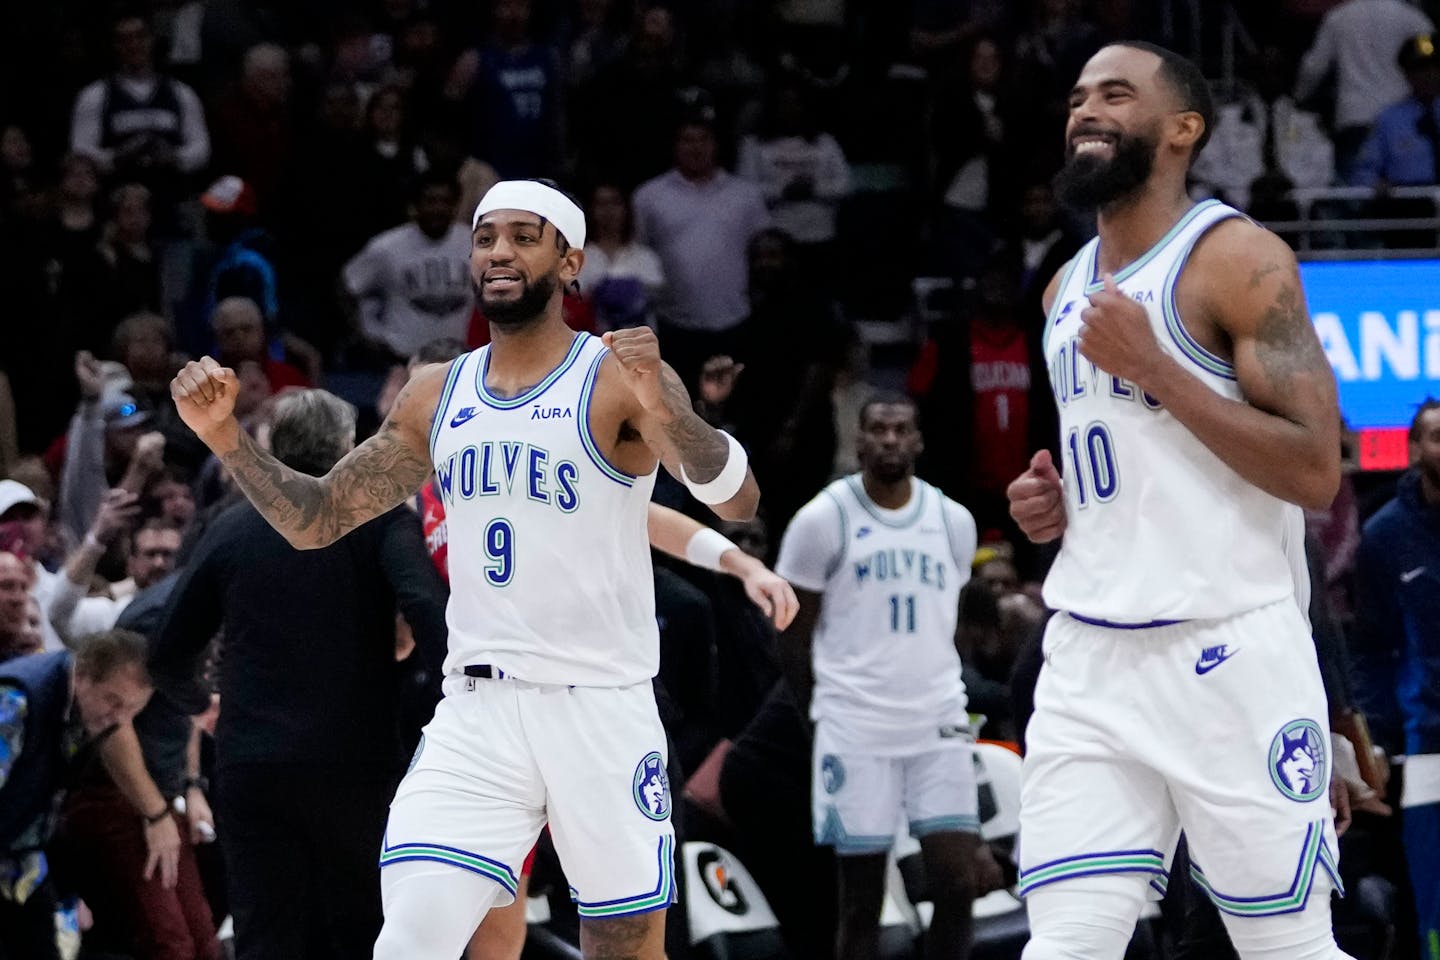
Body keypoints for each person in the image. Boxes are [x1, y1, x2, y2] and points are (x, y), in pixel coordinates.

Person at [168, 177, 760, 959]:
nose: (499, 252)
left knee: (623, 947)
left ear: (570, 260)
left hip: (601, 706)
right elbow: (317, 519)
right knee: (408, 942)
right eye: (486, 238)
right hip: (477, 712)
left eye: (523, 235)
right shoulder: (434, 393)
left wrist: (674, 411)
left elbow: (738, 499)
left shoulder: (618, 373)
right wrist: (226, 439)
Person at [1006, 42, 1350, 959]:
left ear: (1182, 131)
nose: (1086, 111)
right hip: (1088, 652)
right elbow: (1130, 466)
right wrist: (1055, 503)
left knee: (1288, 947)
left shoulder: (1238, 258)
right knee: (1064, 945)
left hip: (1226, 649)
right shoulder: (1062, 286)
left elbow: (1316, 471)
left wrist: (1157, 368)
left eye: (1116, 96)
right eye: (1078, 97)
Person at [151, 388, 449, 960]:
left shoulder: (231, 528)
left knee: (267, 938)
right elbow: (432, 619)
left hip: (251, 764)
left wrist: (204, 705)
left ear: (272, 449)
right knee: (369, 932)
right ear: (348, 447)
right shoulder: (382, 519)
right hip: (354, 764)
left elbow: (165, 654)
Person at [775, 393, 998, 960]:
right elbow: (792, 633)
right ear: (860, 441)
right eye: (879, 430)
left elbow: (947, 623)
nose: (891, 440)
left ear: (920, 440)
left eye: (902, 430)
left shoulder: (953, 520)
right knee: (861, 900)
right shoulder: (823, 519)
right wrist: (821, 711)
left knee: (956, 882)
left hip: (937, 722)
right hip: (856, 728)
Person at [0, 630, 153, 960]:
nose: (120, 719)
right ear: (82, 674)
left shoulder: (85, 710)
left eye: (133, 709)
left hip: (23, 854)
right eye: (113, 701)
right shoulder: (16, 701)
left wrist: (67, 891)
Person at [1351, 398, 1440, 953]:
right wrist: (1377, 743)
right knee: (1431, 911)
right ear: (1413, 450)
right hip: (1427, 746)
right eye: (1435, 436)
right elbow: (1370, 649)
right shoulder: (1385, 536)